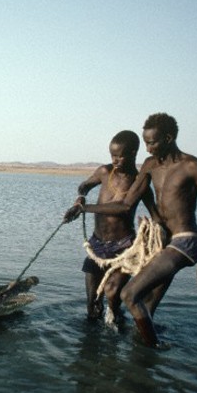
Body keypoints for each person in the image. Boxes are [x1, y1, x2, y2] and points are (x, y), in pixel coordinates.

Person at [74, 113, 197, 347]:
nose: (147, 148)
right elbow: (125, 204)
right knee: (145, 306)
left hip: (186, 241)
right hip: (164, 243)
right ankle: (142, 355)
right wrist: (83, 206)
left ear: (168, 137)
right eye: (145, 143)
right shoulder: (150, 165)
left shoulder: (192, 166)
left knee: (128, 294)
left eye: (152, 143)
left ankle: (153, 350)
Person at [64, 131, 157, 321]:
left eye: (120, 156)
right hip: (97, 245)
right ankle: (92, 343)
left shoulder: (140, 182)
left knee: (112, 296)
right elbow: (84, 186)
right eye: (112, 155)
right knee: (92, 305)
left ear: (133, 153)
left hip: (123, 247)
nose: (115, 160)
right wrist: (80, 198)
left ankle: (117, 327)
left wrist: (151, 231)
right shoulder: (104, 172)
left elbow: (137, 211)